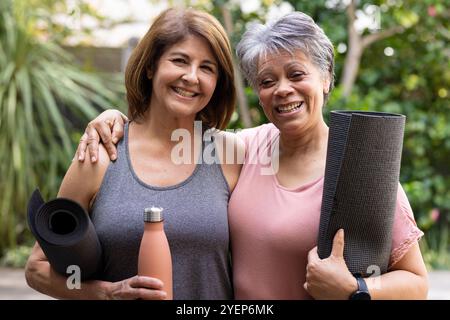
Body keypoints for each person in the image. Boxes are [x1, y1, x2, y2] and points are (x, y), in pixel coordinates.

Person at [75, 12, 429, 300]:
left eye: (296, 74)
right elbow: (165, 136)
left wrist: (357, 289)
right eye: (267, 81)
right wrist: (114, 119)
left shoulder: (360, 168)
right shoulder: (244, 148)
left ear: (326, 78)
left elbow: (416, 282)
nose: (282, 89)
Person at [25, 7, 244, 300]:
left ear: (218, 83)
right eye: (180, 60)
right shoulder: (100, 156)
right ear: (152, 65)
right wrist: (105, 293)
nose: (192, 77)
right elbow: (37, 270)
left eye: (207, 68)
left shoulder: (231, 154)